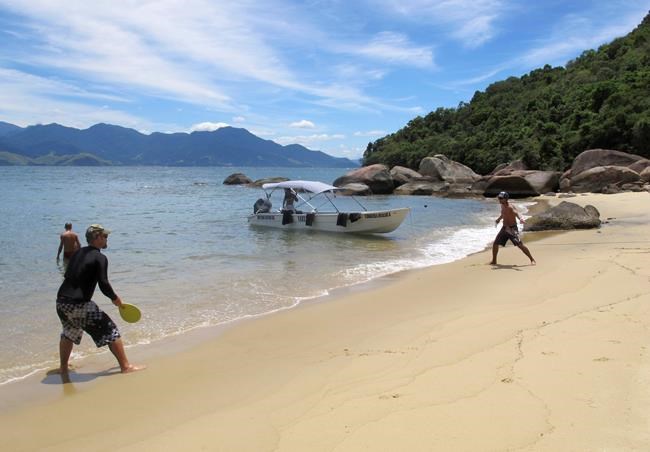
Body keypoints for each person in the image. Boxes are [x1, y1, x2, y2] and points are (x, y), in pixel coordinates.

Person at [55, 224, 144, 381]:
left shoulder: (77, 253)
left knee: (69, 332)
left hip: (61, 302)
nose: (107, 239)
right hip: (79, 304)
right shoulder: (100, 257)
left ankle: (63, 368)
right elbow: (103, 283)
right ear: (97, 237)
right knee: (110, 330)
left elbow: (68, 275)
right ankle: (126, 367)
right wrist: (116, 299)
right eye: (105, 236)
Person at [491, 191, 536, 266]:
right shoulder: (502, 205)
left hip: (512, 229)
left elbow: (517, 213)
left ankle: (532, 259)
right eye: (499, 198)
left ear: (506, 199)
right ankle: (494, 261)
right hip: (504, 228)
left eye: (501, 198)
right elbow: (503, 214)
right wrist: (498, 219)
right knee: (495, 243)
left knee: (520, 245)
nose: (499, 199)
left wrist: (521, 219)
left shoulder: (510, 207)